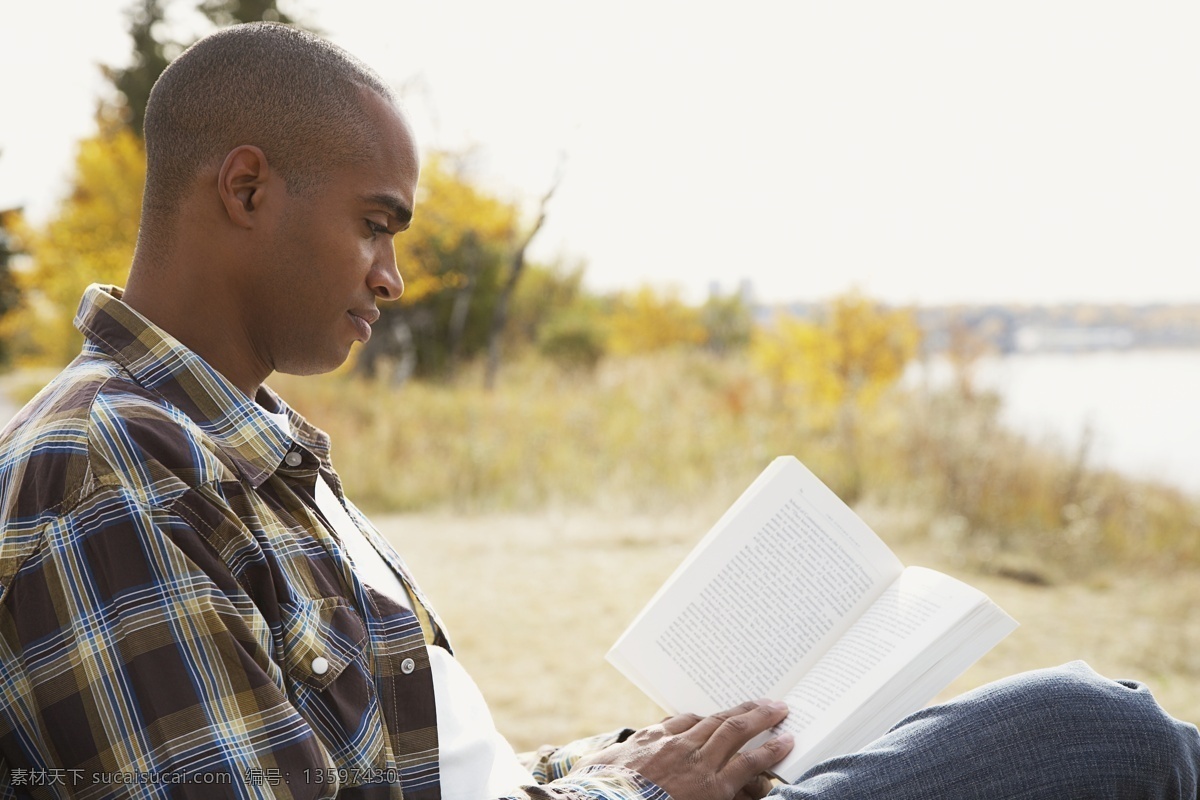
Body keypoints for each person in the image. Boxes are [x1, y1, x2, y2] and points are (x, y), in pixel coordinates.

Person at [0, 21, 1194, 800]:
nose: (392, 277)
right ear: (247, 188)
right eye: (377, 223)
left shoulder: (239, 446)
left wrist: (624, 758)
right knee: (1106, 732)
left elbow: (435, 777)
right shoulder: (112, 464)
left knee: (1058, 726)